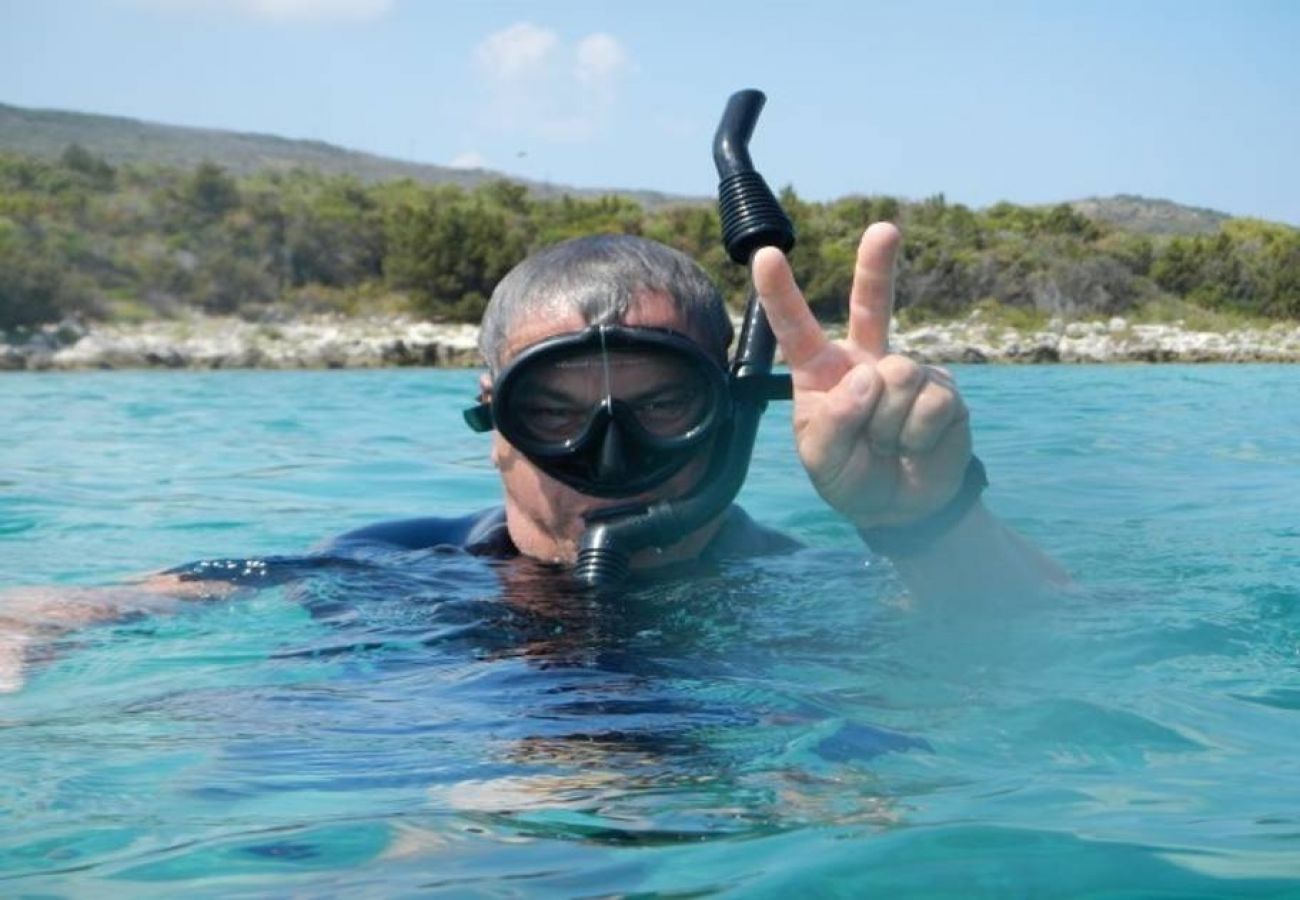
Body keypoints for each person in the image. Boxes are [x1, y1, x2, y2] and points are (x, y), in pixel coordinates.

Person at [0, 223, 1067, 692]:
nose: (609, 456)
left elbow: (1042, 644)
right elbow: (95, 606)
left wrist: (928, 525)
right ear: (491, 419)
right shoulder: (386, 569)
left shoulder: (803, 592)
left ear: (734, 412)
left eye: (663, 410)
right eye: (555, 411)